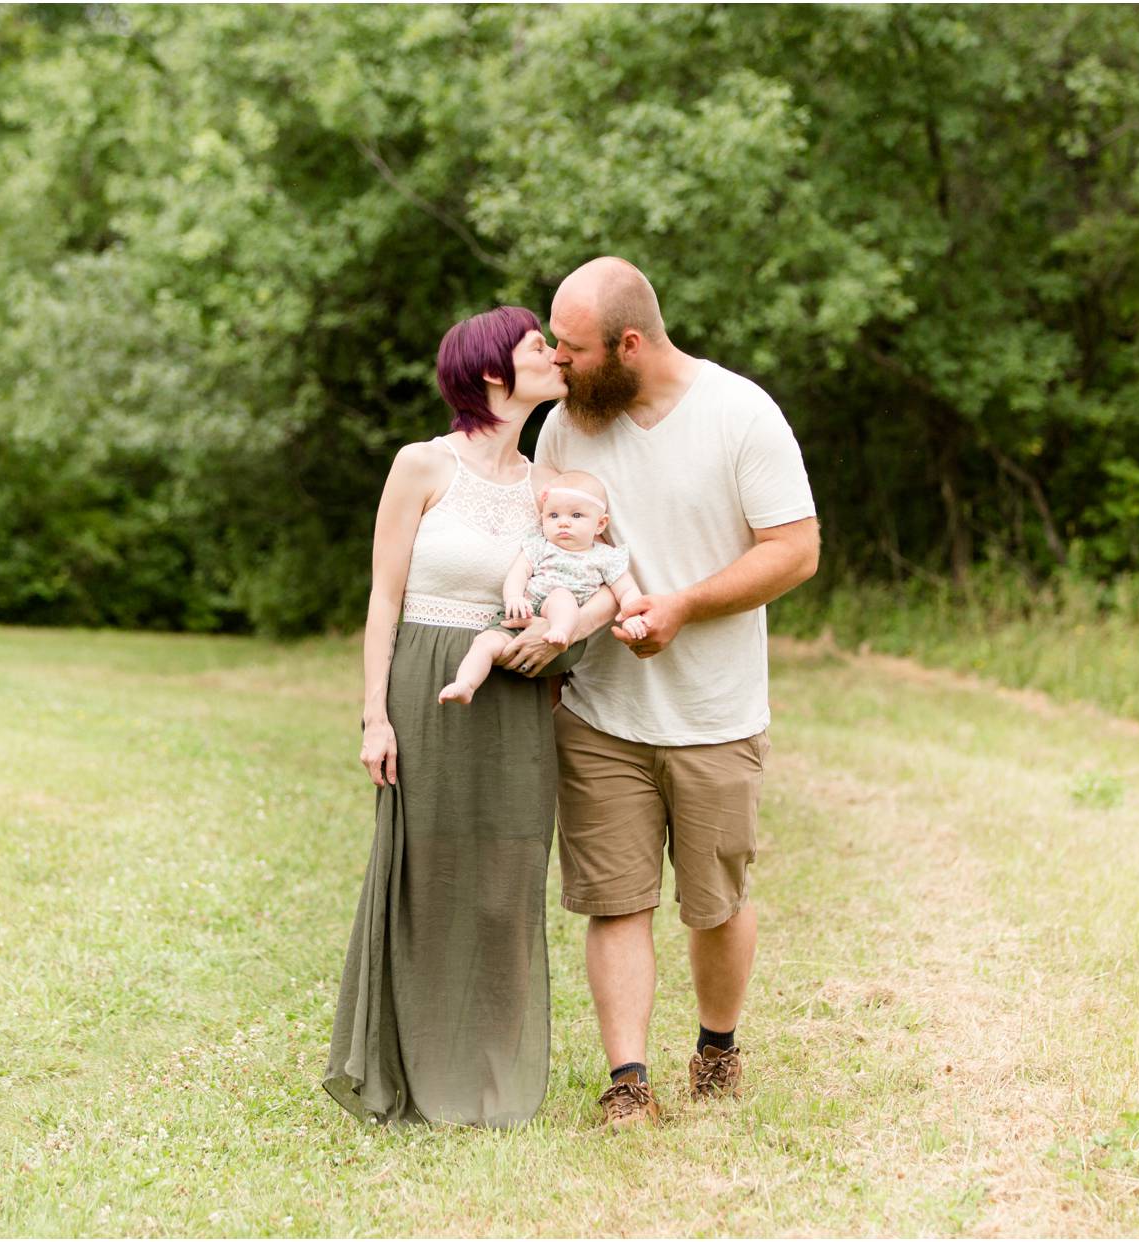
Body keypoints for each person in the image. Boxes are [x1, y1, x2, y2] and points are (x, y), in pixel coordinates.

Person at [502, 256, 821, 1129]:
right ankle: (628, 1080)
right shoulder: (565, 429)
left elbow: (795, 549)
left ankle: (717, 1047)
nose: (558, 365)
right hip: (602, 713)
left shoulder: (739, 413)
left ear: (630, 343)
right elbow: (532, 540)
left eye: (572, 349)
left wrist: (681, 604)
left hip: (716, 714)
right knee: (616, 896)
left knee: (715, 902)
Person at [322, 305, 607, 1127]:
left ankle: (491, 1080)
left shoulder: (548, 485)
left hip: (516, 695)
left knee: (508, 881)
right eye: (536, 348)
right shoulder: (422, 465)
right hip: (425, 685)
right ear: (492, 372)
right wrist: (374, 714)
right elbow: (383, 596)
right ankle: (413, 1071)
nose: (555, 356)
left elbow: (591, 578)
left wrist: (563, 638)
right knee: (427, 875)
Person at [437, 470, 646, 706]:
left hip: (565, 638)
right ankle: (466, 684)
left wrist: (631, 618)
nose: (563, 522)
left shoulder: (605, 558)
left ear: (600, 524)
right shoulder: (540, 545)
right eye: (554, 515)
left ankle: (558, 631)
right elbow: (518, 574)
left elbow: (627, 591)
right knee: (484, 643)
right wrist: (514, 597)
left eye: (576, 515)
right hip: (522, 615)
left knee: (561, 596)